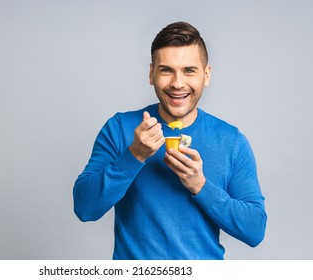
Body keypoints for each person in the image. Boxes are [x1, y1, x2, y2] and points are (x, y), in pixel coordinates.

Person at [73, 21, 267, 260]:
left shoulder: (231, 141)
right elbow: (84, 208)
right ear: (151, 74)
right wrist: (134, 156)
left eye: (189, 70)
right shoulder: (120, 128)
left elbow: (255, 230)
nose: (177, 83)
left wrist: (200, 186)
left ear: (206, 76)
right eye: (166, 70)